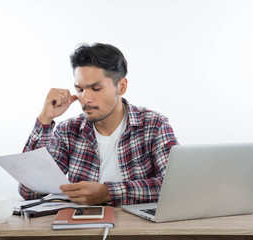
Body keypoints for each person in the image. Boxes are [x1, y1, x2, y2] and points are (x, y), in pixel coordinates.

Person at [19, 43, 178, 206]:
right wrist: (45, 119)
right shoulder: (68, 131)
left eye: (95, 88)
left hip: (138, 227)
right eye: (80, 90)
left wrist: (107, 193)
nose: (86, 98)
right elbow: (29, 192)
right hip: (82, 228)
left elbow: (174, 186)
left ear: (121, 86)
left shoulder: (154, 125)